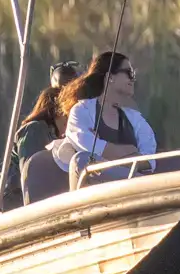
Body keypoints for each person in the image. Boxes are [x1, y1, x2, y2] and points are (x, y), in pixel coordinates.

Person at [57, 50, 158, 178]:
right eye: (129, 73)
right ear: (110, 77)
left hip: (132, 188)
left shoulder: (135, 119)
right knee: (81, 159)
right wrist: (131, 151)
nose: (133, 79)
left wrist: (107, 155)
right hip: (94, 188)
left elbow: (149, 160)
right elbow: (87, 151)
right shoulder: (81, 111)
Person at [0, 81, 69, 212]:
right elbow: (30, 174)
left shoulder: (60, 137)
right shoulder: (33, 131)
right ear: (59, 110)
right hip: (14, 200)